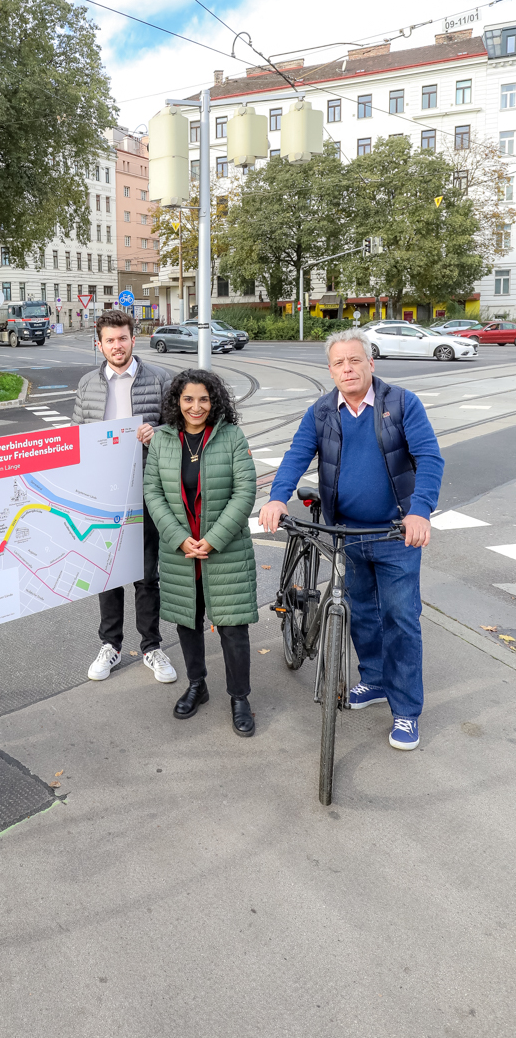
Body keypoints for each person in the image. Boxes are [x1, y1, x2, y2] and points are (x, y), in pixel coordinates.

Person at [258, 328, 444, 751]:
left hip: (396, 531)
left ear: (370, 364)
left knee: (400, 619)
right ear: (330, 370)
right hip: (348, 533)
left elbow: (430, 457)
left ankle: (406, 711)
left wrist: (419, 511)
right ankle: (374, 680)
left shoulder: (401, 403)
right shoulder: (322, 411)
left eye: (355, 360)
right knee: (360, 611)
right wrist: (276, 497)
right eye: (339, 363)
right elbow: (296, 454)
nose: (347, 368)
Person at [144, 369, 258, 735]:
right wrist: (179, 538)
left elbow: (245, 492)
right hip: (181, 553)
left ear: (215, 401)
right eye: (188, 399)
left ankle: (240, 697)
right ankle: (198, 685)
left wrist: (214, 538)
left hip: (224, 551)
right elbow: (153, 493)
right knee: (188, 623)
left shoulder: (231, 436)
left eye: (204, 399)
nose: (196, 406)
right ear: (177, 401)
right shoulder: (162, 439)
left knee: (232, 629)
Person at [71, 309, 177, 685]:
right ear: (99, 344)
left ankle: (151, 646)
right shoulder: (86, 384)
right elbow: (77, 437)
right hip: (103, 493)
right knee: (107, 574)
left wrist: (159, 433)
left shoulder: (162, 379)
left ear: (134, 339)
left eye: (123, 338)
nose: (117, 346)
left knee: (147, 574)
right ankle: (110, 645)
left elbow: (180, 427)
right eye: (109, 340)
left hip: (147, 488)